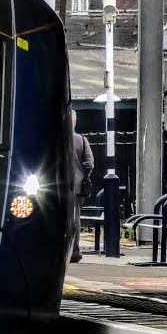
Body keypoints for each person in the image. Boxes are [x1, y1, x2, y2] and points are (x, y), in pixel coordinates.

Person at [71, 111, 95, 263]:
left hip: (55, 186)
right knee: (75, 218)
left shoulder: (54, 139)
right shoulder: (82, 140)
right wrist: (83, 175)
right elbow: (90, 164)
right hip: (77, 186)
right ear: (75, 122)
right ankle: (74, 252)